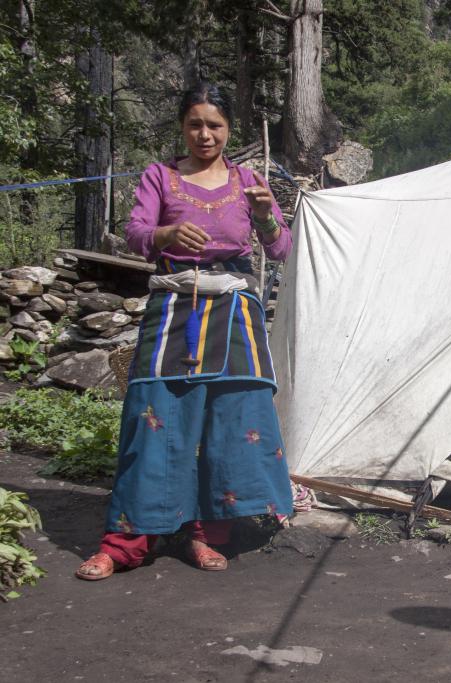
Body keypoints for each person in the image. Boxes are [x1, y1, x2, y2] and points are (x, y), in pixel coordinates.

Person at [75, 83, 294, 580]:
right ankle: (126, 541)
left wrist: (264, 215)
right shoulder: (161, 176)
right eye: (195, 124)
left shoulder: (248, 181)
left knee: (233, 420)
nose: (204, 134)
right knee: (153, 415)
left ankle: (206, 534)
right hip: (174, 304)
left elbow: (280, 249)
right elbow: (134, 234)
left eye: (214, 125)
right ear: (182, 127)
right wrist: (165, 235)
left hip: (236, 309)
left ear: (229, 130)